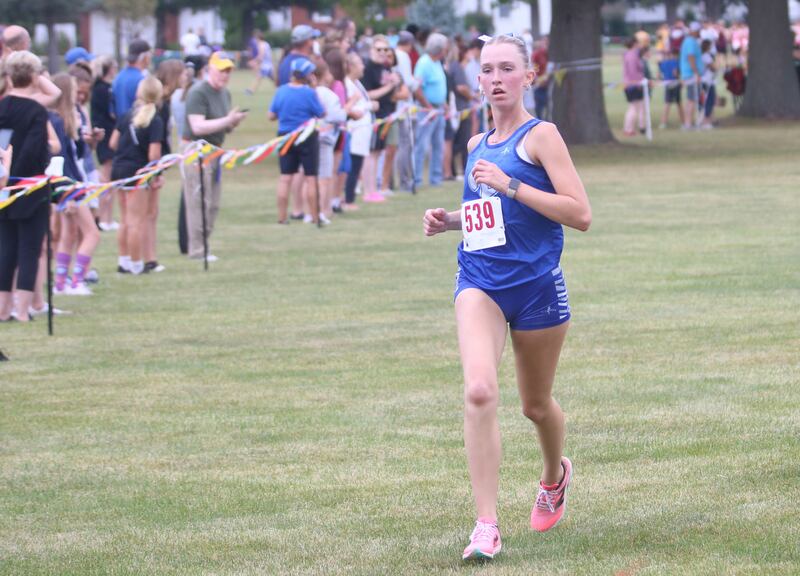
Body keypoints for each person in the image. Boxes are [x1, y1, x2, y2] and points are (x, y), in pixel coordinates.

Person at [422, 33, 591, 562]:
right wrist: (448, 220)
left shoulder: (543, 137)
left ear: (527, 77)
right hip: (481, 282)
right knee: (478, 390)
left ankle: (554, 475)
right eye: (487, 70)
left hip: (537, 286)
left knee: (536, 406)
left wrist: (512, 184)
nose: (495, 78)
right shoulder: (476, 145)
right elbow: (487, 220)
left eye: (505, 69)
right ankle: (486, 526)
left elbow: (579, 213)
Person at [0, 51, 55, 322]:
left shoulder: (1, 106)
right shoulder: (36, 110)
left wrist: (4, 179)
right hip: (30, 186)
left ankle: (2, 309)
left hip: (3, 186)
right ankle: (22, 310)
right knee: (30, 248)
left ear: (8, 77)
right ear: (34, 76)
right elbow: (34, 148)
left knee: (6, 248)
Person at [181, 51, 246, 261]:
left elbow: (221, 126)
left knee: (213, 202)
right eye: (221, 70)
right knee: (198, 201)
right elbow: (197, 126)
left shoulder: (225, 94)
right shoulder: (198, 92)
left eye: (228, 71)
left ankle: (205, 244)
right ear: (210, 69)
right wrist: (228, 120)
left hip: (216, 151)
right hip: (197, 151)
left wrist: (232, 123)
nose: (225, 75)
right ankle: (197, 250)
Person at [48, 73, 101, 295]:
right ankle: (77, 280)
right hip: (69, 185)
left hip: (70, 183)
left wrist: (82, 135)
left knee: (69, 234)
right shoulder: (56, 121)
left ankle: (60, 283)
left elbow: (78, 153)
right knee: (92, 233)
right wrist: (67, 193)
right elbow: (63, 161)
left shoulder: (67, 120)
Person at [109, 76, 164, 276]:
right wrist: (156, 173)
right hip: (137, 173)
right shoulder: (155, 120)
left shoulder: (126, 116)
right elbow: (153, 155)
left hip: (118, 170)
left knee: (124, 219)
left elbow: (113, 144)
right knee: (136, 221)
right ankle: (136, 263)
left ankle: (123, 261)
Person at [268, 58, 325, 225]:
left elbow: (271, 116)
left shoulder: (281, 91)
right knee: (310, 177)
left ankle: (282, 217)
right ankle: (315, 217)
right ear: (307, 75)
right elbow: (321, 113)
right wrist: (314, 90)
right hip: (307, 136)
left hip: (285, 136)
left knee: (285, 177)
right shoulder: (309, 93)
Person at [361, 35, 402, 203]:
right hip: (374, 117)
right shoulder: (368, 68)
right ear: (371, 50)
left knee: (378, 154)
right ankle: (368, 191)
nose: (383, 53)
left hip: (386, 115)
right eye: (379, 49)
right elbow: (368, 94)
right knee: (371, 154)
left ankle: (374, 190)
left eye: (386, 49)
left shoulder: (385, 68)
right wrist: (390, 86)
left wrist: (396, 84)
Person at [413, 32, 448, 188]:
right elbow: (417, 88)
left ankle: (436, 178)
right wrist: (428, 107)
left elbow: (438, 85)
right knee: (422, 145)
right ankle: (417, 179)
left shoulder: (437, 62)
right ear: (439, 49)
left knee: (438, 145)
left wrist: (444, 103)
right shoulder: (424, 63)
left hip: (439, 109)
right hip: (427, 110)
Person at [344, 52, 375, 210]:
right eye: (359, 63)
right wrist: (369, 106)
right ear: (350, 66)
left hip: (363, 131)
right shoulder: (347, 84)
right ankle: (348, 199)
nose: (363, 66)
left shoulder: (357, 83)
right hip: (355, 130)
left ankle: (349, 198)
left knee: (357, 164)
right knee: (353, 165)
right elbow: (351, 107)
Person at [91, 55, 119, 231]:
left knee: (110, 178)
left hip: (108, 134)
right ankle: (102, 217)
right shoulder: (103, 89)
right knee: (106, 178)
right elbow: (110, 113)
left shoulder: (105, 88)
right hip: (106, 135)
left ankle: (108, 218)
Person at [113, 39, 152, 120]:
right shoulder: (141, 80)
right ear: (144, 57)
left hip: (120, 126)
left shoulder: (118, 77)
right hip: (135, 126)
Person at [680, 22, 704, 129]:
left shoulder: (691, 41)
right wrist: (696, 72)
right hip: (691, 74)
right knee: (692, 99)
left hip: (690, 73)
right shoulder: (690, 42)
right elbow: (691, 57)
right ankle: (688, 123)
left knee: (692, 99)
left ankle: (688, 122)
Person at [622, 37, 646, 136]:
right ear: (634, 44)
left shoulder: (627, 54)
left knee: (635, 107)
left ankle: (636, 127)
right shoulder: (632, 55)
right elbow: (633, 72)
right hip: (634, 85)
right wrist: (638, 83)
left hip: (629, 84)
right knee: (633, 107)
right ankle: (628, 128)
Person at [658, 50, 684, 128]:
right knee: (679, 103)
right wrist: (679, 79)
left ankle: (663, 122)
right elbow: (675, 72)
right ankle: (683, 121)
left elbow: (659, 75)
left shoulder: (663, 63)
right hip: (675, 84)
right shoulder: (675, 62)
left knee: (667, 103)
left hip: (667, 84)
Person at [700, 39, 717, 129]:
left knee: (708, 100)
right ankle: (706, 121)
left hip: (705, 80)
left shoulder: (701, 56)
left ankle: (709, 119)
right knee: (709, 100)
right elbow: (713, 67)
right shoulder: (706, 56)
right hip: (708, 81)